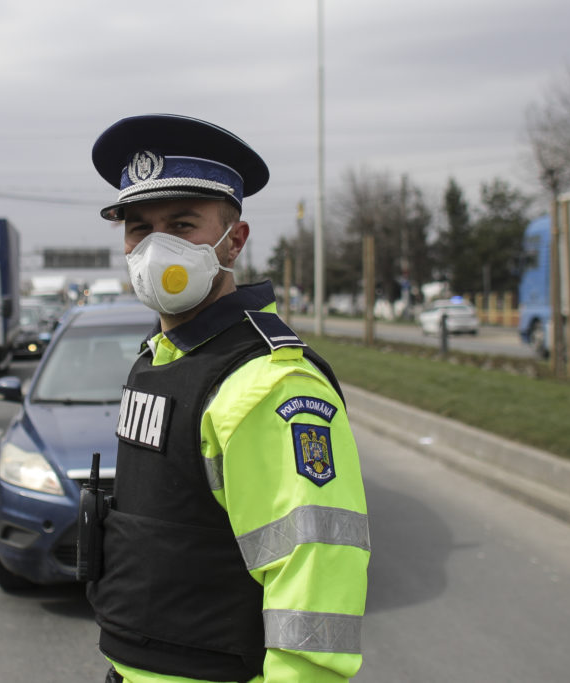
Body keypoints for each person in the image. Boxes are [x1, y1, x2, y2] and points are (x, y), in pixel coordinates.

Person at [83, 113, 370, 683]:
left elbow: (313, 574)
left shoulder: (268, 382)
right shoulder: (161, 359)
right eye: (139, 229)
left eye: (183, 225)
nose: (155, 247)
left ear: (233, 241)